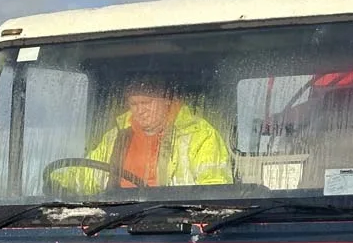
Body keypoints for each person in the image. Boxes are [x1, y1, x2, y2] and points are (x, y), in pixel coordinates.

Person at [51, 80, 233, 193]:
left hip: (176, 226)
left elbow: (215, 191)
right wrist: (56, 182)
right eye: (134, 104)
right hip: (115, 222)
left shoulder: (199, 135)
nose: (140, 111)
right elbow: (86, 176)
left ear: (166, 100)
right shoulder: (115, 137)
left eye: (146, 103)